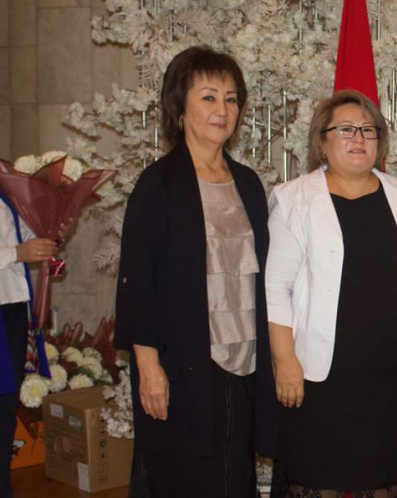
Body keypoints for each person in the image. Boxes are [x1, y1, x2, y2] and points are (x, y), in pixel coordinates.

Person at [114, 45, 275, 497]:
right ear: (179, 107)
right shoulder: (158, 184)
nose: (222, 110)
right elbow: (138, 284)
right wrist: (149, 367)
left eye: (231, 98)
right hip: (183, 365)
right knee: (186, 477)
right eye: (208, 97)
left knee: (235, 477)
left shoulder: (248, 183)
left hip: (244, 360)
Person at [266, 90, 397, 498]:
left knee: (386, 479)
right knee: (318, 478)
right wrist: (284, 360)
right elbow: (276, 287)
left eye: (369, 130)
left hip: (393, 377)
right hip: (319, 374)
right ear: (322, 142)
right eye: (346, 129)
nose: (358, 138)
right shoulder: (293, 198)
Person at [0, 162, 57, 498]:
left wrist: (45, 235)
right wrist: (17, 253)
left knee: (4, 404)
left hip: (12, 304)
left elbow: (20, 230)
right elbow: (14, 249)